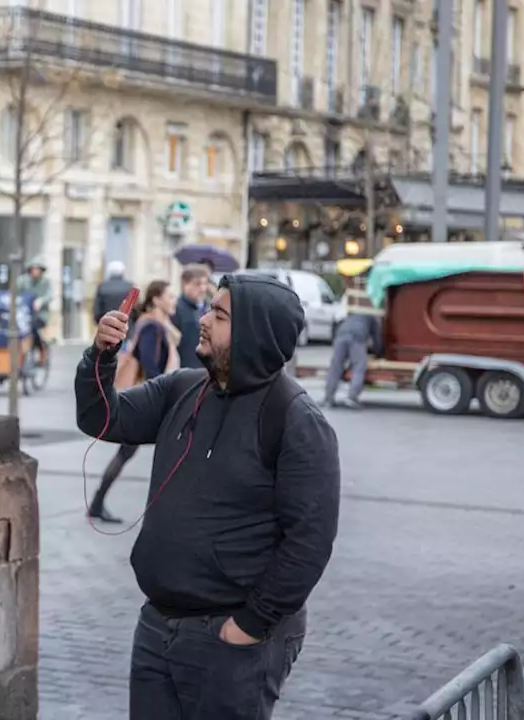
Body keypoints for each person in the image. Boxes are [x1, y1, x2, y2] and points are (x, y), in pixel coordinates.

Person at [75, 274, 341, 720]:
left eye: (219, 314)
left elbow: (310, 541)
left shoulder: (296, 420)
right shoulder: (183, 387)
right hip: (159, 626)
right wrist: (100, 356)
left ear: (255, 331)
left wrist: (250, 626)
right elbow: (102, 418)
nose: (202, 320)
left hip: (231, 639)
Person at [88, 281, 182, 523]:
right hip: (147, 400)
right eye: (169, 296)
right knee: (130, 453)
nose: (173, 300)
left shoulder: (161, 325)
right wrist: (163, 397)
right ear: (156, 299)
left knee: (129, 453)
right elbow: (151, 367)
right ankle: (98, 503)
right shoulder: (151, 326)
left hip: (149, 399)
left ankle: (98, 503)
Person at [323, 272, 384, 409]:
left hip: (341, 335)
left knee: (336, 366)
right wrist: (378, 352)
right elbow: (377, 338)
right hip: (357, 337)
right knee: (359, 365)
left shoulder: (353, 309)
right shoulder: (372, 314)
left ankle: (328, 398)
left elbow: (339, 321)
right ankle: (352, 397)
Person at [172, 264, 212, 369]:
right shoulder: (175, 308)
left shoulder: (211, 308)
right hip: (184, 370)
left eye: (205, 283)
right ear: (185, 284)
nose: (203, 288)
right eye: (197, 284)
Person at [19, 257, 51, 364]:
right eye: (33, 269)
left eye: (38, 269)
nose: (35, 271)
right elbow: (16, 293)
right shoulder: (23, 280)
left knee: (34, 328)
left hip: (40, 315)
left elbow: (49, 295)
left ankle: (42, 349)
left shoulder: (46, 282)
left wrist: (41, 301)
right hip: (25, 313)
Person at [93, 261, 137, 328]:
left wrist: (99, 323)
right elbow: (135, 309)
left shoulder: (102, 287)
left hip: (108, 327)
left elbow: (97, 310)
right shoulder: (130, 286)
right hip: (127, 327)